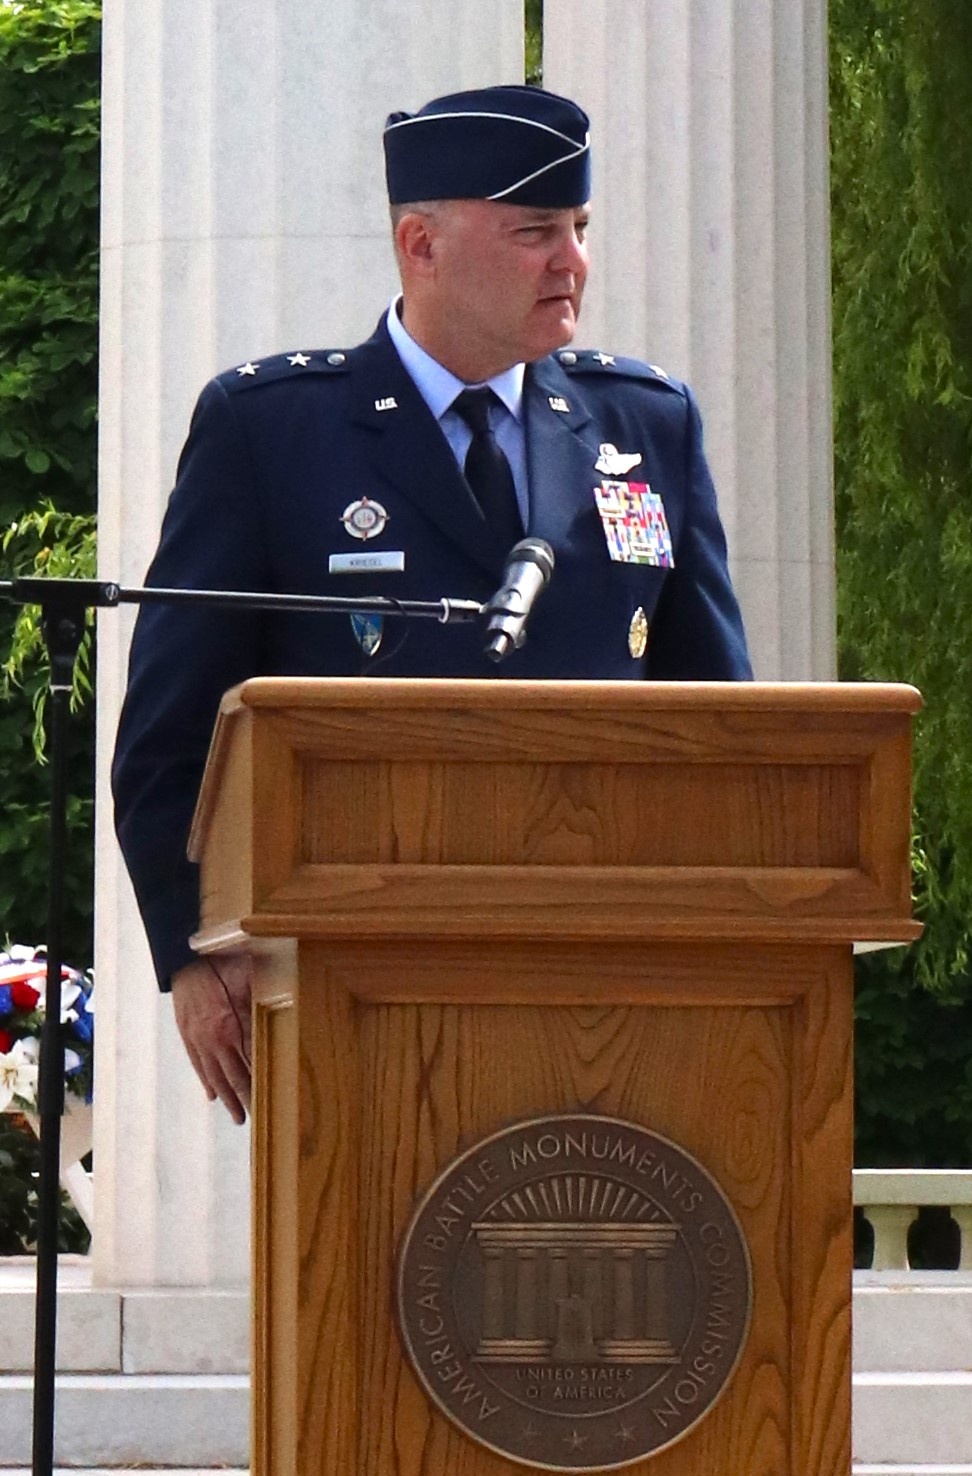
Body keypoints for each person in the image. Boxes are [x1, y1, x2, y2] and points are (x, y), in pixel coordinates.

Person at [112, 84, 752, 1126]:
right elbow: (171, 734)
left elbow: (717, 714)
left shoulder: (644, 423)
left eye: (578, 231)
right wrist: (191, 949)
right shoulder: (272, 430)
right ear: (423, 243)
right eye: (535, 232)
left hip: (612, 998)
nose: (572, 263)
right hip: (357, 997)